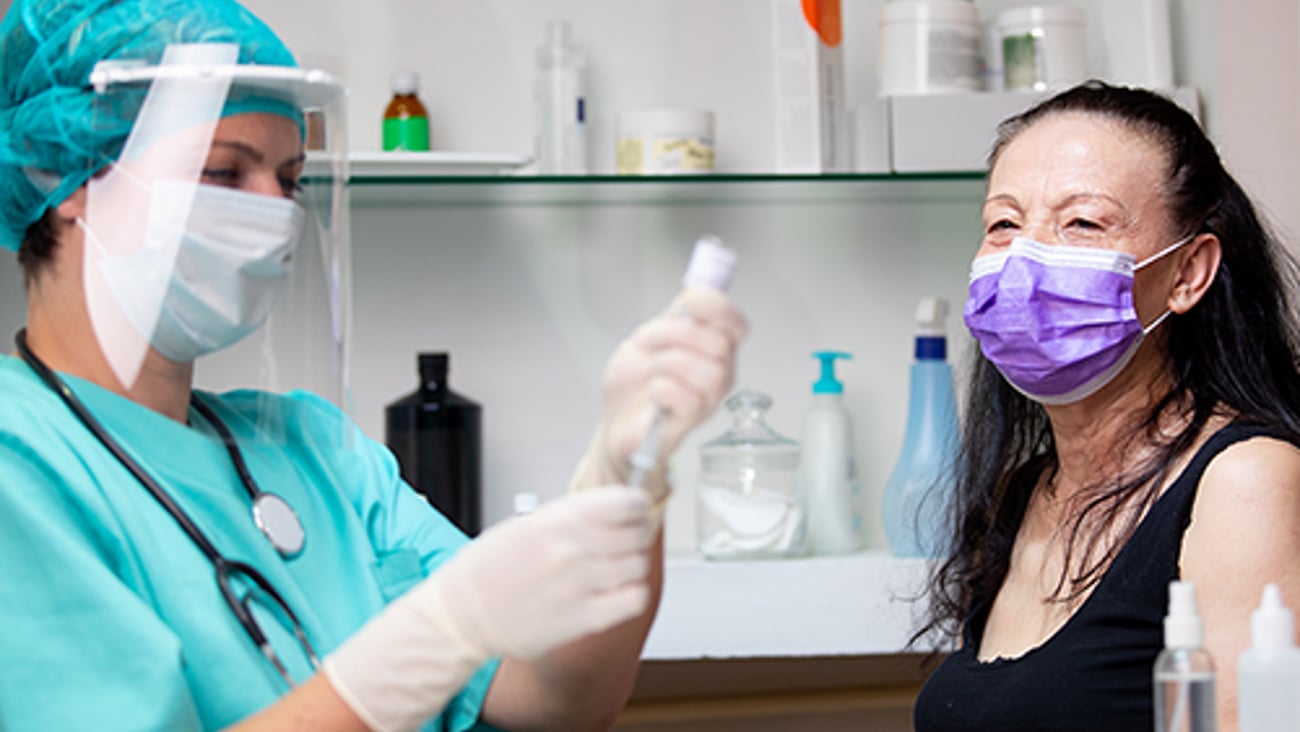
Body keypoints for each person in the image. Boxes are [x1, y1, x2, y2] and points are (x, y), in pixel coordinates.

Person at [0, 1, 747, 730]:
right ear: (59, 176)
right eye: (225, 174)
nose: (274, 216)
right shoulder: (20, 462)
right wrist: (436, 636)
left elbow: (555, 701)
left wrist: (624, 480)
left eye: (290, 181)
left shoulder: (313, 449)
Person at [912, 81, 1300, 731]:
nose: (1025, 260)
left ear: (1188, 273)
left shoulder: (1244, 481)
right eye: (1003, 224)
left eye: (1083, 222)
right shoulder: (1021, 494)